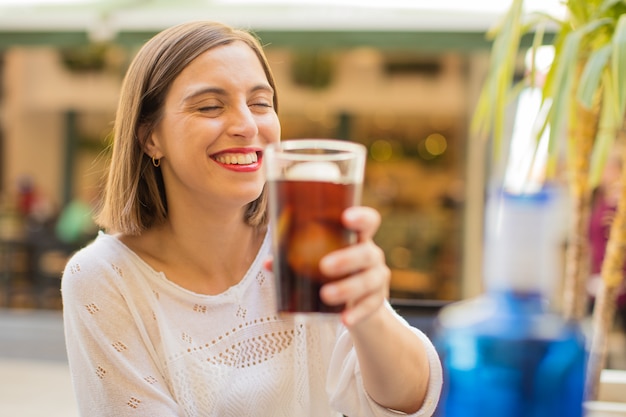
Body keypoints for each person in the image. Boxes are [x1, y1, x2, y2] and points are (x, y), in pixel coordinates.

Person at [61, 20, 442, 417]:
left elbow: (413, 399)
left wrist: (370, 312)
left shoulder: (303, 247)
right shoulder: (106, 278)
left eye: (261, 103)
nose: (246, 125)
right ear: (150, 138)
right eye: (210, 106)